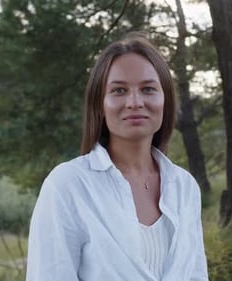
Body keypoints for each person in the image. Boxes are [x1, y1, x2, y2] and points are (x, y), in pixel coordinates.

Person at [26, 32, 209, 281]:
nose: (134, 102)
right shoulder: (68, 185)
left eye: (148, 89)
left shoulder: (185, 187)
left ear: (165, 99)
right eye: (119, 90)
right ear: (99, 104)